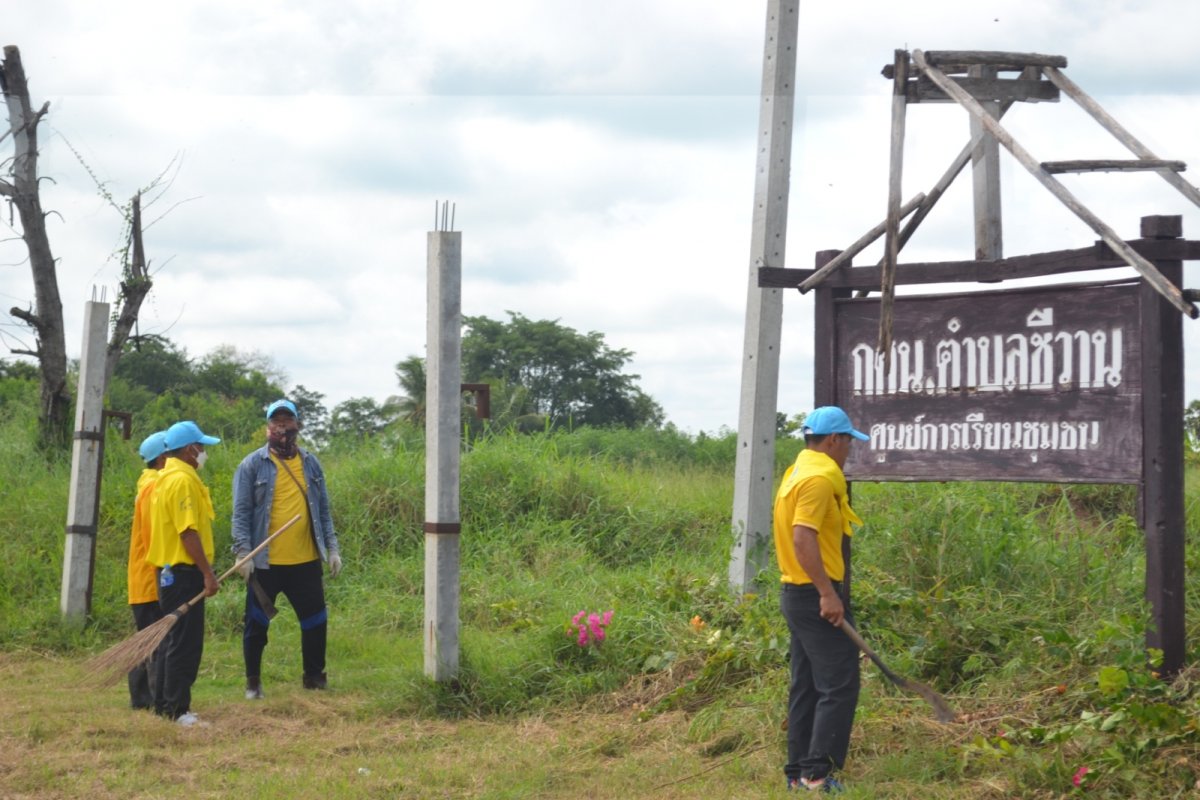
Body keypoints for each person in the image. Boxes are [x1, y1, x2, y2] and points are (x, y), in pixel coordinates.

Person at [773, 406, 869, 793]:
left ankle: (798, 773)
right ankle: (818, 774)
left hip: (795, 594)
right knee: (839, 684)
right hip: (813, 594)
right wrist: (828, 594)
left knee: (808, 685)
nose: (849, 450)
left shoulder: (797, 471)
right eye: (848, 442)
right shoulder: (817, 479)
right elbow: (802, 536)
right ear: (834, 440)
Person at [231, 398, 342, 700]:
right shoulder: (252, 465)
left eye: (287, 420)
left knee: (315, 622)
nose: (282, 426)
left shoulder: (310, 463)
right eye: (276, 421)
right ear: (268, 426)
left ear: (297, 424)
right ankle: (253, 683)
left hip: (305, 561)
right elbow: (241, 513)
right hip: (265, 564)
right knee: (256, 624)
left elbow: (323, 510)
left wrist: (332, 549)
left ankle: (314, 678)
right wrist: (243, 553)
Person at [146, 420, 221, 726]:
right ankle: (177, 709)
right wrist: (208, 573)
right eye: (201, 447)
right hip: (184, 573)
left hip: (170, 574)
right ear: (190, 450)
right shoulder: (182, 481)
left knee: (173, 639)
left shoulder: (164, 479)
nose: (203, 452)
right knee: (185, 643)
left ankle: (165, 706)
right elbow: (187, 532)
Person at [126, 430, 168, 710]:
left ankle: (143, 699)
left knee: (147, 639)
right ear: (164, 457)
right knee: (154, 642)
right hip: (151, 578)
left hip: (144, 578)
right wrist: (164, 573)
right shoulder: (154, 488)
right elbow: (155, 537)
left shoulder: (148, 484)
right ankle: (150, 698)